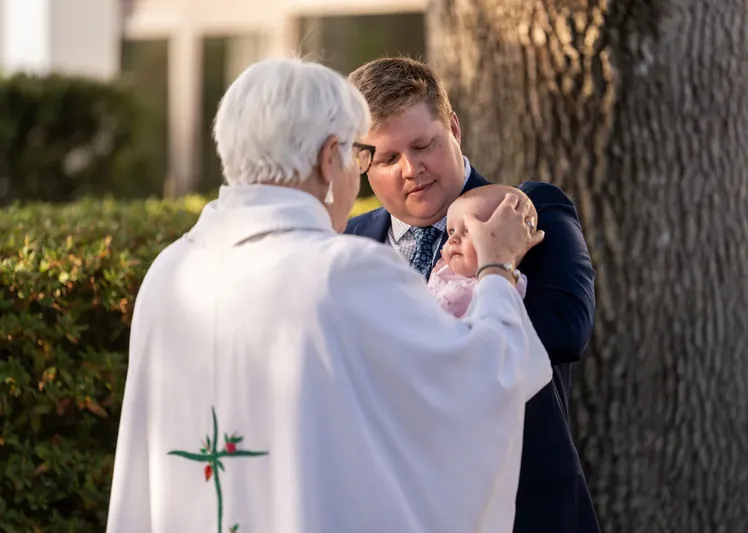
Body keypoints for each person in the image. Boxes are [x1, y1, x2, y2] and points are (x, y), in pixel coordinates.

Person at [105, 58, 554, 533]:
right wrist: (498, 266)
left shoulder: (169, 273)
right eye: (359, 158)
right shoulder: (344, 272)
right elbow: (486, 381)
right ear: (329, 157)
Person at [346, 57, 600, 533]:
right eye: (387, 158)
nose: (411, 169)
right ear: (362, 165)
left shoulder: (525, 209)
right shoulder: (348, 242)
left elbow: (568, 328)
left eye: (424, 145)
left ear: (454, 128)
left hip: (523, 507)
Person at [429, 185, 531, 318]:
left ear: (508, 243)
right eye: (451, 231)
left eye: (468, 230)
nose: (453, 239)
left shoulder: (503, 283)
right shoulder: (443, 271)